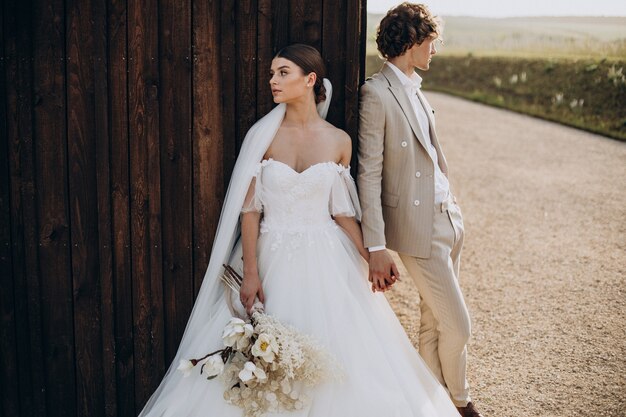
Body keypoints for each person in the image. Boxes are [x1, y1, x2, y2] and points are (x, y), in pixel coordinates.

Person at [138, 43, 458, 417]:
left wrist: (371, 254)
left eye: (282, 73)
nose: (273, 80)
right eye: (272, 73)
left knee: (350, 354)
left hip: (328, 257)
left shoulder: (339, 140)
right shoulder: (263, 138)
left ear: (309, 80)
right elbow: (250, 212)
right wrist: (252, 273)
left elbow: (341, 213)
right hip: (272, 257)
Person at [357, 3, 483, 417]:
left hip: (448, 218)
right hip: (418, 227)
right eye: (431, 42)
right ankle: (461, 403)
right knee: (459, 326)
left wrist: (453, 204)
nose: (435, 50)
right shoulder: (376, 93)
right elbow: (368, 174)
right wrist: (375, 245)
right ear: (410, 42)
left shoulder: (415, 89)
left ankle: (431, 406)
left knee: (435, 323)